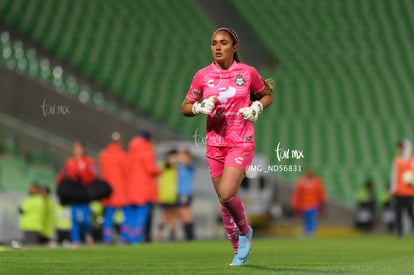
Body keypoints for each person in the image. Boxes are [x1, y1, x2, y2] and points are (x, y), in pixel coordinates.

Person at [181, 27, 273, 265]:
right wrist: (199, 107)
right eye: (214, 43)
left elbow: (266, 94)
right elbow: (185, 106)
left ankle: (245, 233)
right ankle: (238, 250)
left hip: (241, 142)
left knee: (226, 193)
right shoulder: (202, 75)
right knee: (224, 200)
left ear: (234, 47)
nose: (218, 47)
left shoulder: (247, 72)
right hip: (214, 145)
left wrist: (256, 108)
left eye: (223, 42)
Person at [56, 141, 96, 248]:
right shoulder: (69, 162)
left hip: (84, 193)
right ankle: (76, 240)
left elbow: (93, 176)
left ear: (83, 149)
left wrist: (82, 175)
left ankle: (88, 235)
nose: (77, 151)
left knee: (85, 218)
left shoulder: (88, 161)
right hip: (73, 193)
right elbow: (62, 176)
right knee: (73, 217)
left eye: (79, 148)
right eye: (75, 148)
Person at [125, 130, 162, 244]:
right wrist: (161, 169)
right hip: (143, 186)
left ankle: (127, 236)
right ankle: (136, 238)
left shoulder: (131, 149)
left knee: (130, 213)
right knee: (141, 213)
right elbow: (150, 169)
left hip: (131, 185)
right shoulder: (146, 149)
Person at [99, 131, 128, 244]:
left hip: (107, 189)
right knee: (123, 215)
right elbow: (126, 172)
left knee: (109, 215)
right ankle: (123, 236)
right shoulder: (122, 155)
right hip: (120, 189)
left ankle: (106, 237)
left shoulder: (104, 155)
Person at [290, 170, 327, 236]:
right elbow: (297, 194)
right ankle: (306, 232)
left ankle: (311, 233)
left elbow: (321, 193)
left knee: (312, 220)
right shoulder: (301, 182)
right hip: (303, 206)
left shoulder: (316, 182)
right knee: (304, 220)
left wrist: (322, 202)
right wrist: (295, 204)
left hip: (313, 205)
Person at [390, 139, 414, 238]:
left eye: (402, 147)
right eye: (399, 147)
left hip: (410, 192)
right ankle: (399, 232)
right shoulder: (396, 161)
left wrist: (412, 181)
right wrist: (392, 189)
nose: (400, 149)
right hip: (399, 192)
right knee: (398, 212)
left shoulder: (412, 160)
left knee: (410, 212)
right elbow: (394, 176)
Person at [156, 149, 179, 242]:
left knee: (171, 216)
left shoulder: (176, 168)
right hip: (165, 196)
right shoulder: (163, 167)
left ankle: (170, 234)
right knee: (167, 216)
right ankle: (162, 233)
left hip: (173, 196)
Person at [176, 149, 196, 241]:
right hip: (180, 193)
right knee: (182, 214)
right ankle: (188, 236)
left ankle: (190, 236)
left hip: (185, 193)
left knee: (185, 214)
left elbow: (188, 163)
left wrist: (183, 159)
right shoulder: (179, 166)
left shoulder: (189, 164)